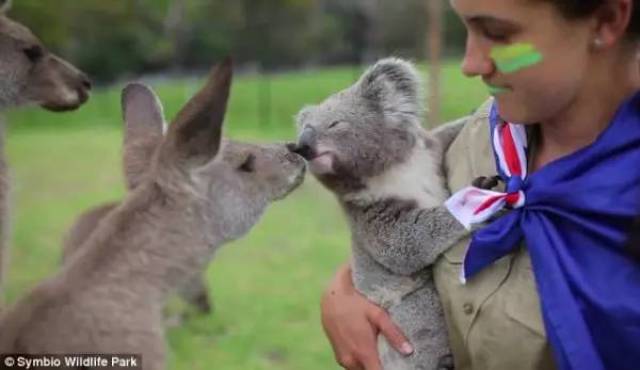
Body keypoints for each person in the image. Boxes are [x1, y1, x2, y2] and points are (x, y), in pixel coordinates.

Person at [319, 0, 640, 369]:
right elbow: (398, 245)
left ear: (607, 20)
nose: (471, 64)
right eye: (466, 29)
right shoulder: (473, 140)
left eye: (498, 35)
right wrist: (341, 293)